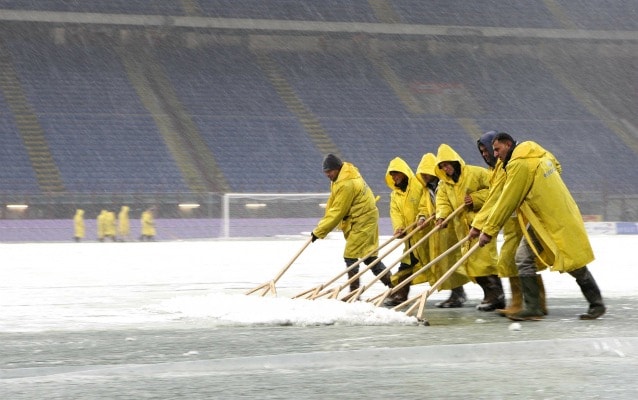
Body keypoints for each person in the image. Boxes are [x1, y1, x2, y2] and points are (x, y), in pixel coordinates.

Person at [476, 133, 606, 320]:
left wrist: (488, 230)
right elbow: (557, 167)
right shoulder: (538, 154)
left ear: (509, 144)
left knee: (572, 263)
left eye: (498, 149)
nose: (495, 154)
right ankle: (533, 307)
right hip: (549, 217)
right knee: (524, 257)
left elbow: (508, 201)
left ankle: (596, 303)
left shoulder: (519, 164)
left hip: (553, 220)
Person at [470, 131, 547, 316]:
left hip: (521, 219)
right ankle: (522, 302)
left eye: (487, 150)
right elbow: (493, 199)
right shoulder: (497, 169)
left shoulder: (508, 166)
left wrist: (483, 226)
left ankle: (532, 304)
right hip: (510, 221)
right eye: (482, 151)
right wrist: (479, 225)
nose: (486, 154)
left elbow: (500, 198)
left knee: (518, 260)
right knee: (510, 260)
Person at [434, 143, 504, 311]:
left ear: (455, 161)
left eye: (447, 164)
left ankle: (496, 295)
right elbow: (443, 202)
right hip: (462, 229)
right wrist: (441, 216)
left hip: (481, 224)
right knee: (471, 264)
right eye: (442, 166)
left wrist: (475, 199)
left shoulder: (476, 172)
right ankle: (491, 295)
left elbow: (496, 191)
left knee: (484, 262)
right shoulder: (444, 184)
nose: (445, 169)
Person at [311, 154, 392, 295]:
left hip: (363, 219)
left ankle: (353, 293)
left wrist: (319, 231)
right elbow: (334, 204)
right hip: (362, 217)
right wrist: (322, 227)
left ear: (337, 168)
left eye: (329, 171)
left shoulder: (346, 183)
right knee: (369, 257)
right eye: (326, 172)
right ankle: (395, 286)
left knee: (350, 255)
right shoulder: (343, 176)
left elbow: (338, 211)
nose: (327, 175)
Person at [416, 153, 469, 308]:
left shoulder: (445, 184)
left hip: (451, 228)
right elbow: (423, 207)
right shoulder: (427, 190)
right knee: (446, 263)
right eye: (422, 173)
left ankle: (461, 294)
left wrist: (441, 214)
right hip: (440, 229)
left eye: (427, 172)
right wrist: (422, 217)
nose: (425, 176)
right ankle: (457, 293)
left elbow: (450, 203)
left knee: (455, 262)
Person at [382, 157, 429, 306]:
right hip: (411, 237)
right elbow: (395, 213)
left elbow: (426, 203)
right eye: (392, 175)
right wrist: (399, 228)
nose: (394, 177)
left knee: (440, 264)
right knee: (406, 265)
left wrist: (423, 217)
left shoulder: (418, 185)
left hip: (427, 234)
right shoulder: (395, 195)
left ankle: (457, 292)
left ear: (404, 173)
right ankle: (400, 295)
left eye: (397, 174)